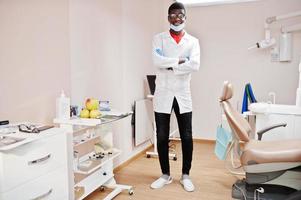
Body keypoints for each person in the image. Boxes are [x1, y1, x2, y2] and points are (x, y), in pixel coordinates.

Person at [150, 2, 200, 192]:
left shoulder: (193, 41)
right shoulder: (159, 39)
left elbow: (195, 65)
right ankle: (165, 174)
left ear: (185, 17)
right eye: (173, 14)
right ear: (168, 17)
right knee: (161, 136)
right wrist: (180, 60)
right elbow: (156, 61)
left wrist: (169, 65)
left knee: (187, 135)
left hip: (182, 93)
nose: (177, 18)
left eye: (180, 15)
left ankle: (186, 175)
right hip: (163, 92)